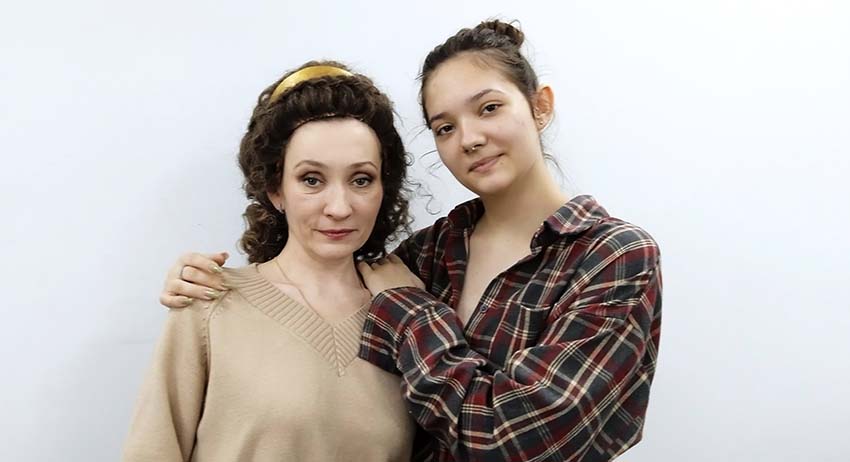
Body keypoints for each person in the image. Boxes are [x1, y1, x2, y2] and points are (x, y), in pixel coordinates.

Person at [161, 20, 662, 462]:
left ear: (540, 106)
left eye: (489, 108)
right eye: (444, 127)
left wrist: (410, 308)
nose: (469, 138)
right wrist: (205, 286)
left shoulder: (613, 257)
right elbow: (311, 311)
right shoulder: (429, 253)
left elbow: (515, 441)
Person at [124, 61, 416, 462]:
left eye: (361, 179)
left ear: (384, 188)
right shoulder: (209, 303)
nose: (339, 207)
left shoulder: (407, 313)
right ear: (276, 189)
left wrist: (412, 308)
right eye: (311, 179)